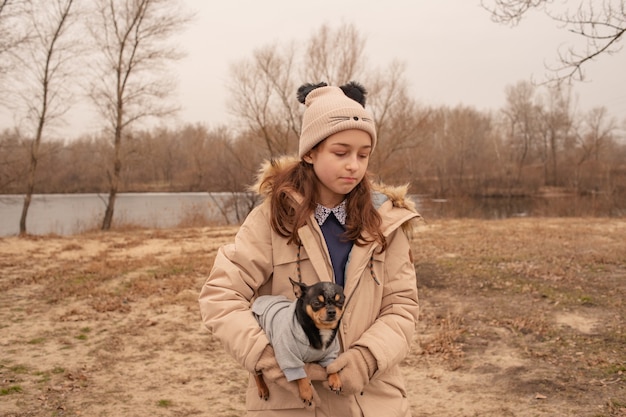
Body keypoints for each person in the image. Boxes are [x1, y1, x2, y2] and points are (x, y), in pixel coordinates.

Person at [198, 81, 421, 417]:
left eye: (363, 155)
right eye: (341, 152)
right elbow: (220, 296)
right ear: (310, 152)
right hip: (292, 403)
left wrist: (366, 359)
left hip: (372, 401)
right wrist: (267, 356)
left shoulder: (385, 222)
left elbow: (401, 306)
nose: (354, 166)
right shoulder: (272, 218)